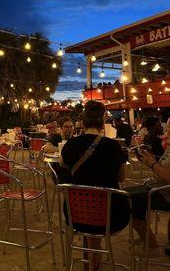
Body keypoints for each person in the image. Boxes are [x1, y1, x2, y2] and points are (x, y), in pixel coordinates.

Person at [60, 101, 130, 270]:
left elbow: (63, 164)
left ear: (82, 122)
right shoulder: (114, 147)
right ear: (103, 122)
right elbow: (121, 177)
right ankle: (95, 259)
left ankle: (93, 258)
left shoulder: (70, 145)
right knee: (103, 201)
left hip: (75, 213)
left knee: (89, 201)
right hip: (111, 216)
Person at [126, 146, 170, 257]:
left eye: (169, 127)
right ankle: (145, 237)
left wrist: (152, 164)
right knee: (127, 194)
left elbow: (169, 177)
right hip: (156, 188)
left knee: (128, 201)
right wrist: (151, 158)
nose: (167, 129)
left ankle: (152, 246)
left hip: (165, 194)